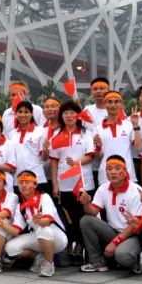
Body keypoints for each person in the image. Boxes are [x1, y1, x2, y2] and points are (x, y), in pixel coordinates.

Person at [77, 155, 142, 273]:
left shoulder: (135, 191)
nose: (113, 172)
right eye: (109, 168)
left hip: (132, 234)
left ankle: (132, 260)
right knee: (86, 220)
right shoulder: (103, 188)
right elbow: (93, 212)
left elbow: (134, 226)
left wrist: (114, 243)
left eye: (117, 168)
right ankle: (97, 262)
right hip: (112, 231)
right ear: (105, 172)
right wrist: (86, 204)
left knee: (123, 256)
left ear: (125, 171)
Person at [48, 100, 96, 259]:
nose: (69, 116)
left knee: (83, 216)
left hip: (83, 182)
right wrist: (55, 184)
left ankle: (82, 246)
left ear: (78, 115)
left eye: (72, 112)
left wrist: (76, 163)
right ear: (61, 116)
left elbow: (90, 156)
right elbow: (54, 161)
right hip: (64, 183)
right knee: (69, 217)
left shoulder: (85, 133)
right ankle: (70, 245)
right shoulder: (57, 135)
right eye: (65, 113)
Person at [4, 171, 68, 277]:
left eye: (28, 182)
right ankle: (40, 257)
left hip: (57, 237)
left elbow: (47, 221)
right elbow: (16, 230)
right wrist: (2, 224)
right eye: (21, 182)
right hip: (39, 235)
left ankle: (49, 265)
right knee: (10, 248)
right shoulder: (21, 206)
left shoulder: (44, 197)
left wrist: (39, 221)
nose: (24, 185)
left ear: (35, 184)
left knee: (43, 229)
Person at [94, 92, 138, 185]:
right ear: (105, 104)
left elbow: (138, 147)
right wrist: (98, 147)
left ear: (121, 104)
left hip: (127, 173)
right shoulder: (98, 129)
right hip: (106, 176)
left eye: (116, 102)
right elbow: (98, 156)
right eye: (109, 102)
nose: (113, 105)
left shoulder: (128, 124)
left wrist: (136, 126)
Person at [10, 101, 49, 194]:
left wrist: (45, 150)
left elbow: (44, 158)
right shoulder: (12, 134)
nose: (23, 115)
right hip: (17, 180)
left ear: (31, 114)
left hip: (36, 179)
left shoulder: (40, 131)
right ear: (16, 114)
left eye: (26, 112)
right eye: (20, 112)